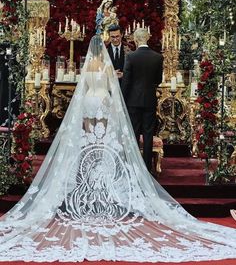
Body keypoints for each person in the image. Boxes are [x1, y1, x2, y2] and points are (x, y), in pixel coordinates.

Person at [1, 35, 236, 262]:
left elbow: (82, 90)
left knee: (87, 138)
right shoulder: (105, 66)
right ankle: (105, 175)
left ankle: (83, 174)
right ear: (102, 50)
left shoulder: (88, 67)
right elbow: (114, 89)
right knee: (103, 141)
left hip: (89, 100)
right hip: (103, 99)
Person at [122, 28, 163, 174]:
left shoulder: (131, 57)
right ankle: (146, 167)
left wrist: (123, 99)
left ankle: (132, 165)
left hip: (133, 100)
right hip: (150, 99)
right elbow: (158, 80)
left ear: (135, 39)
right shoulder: (157, 57)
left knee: (133, 132)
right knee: (148, 133)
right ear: (147, 38)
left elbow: (126, 81)